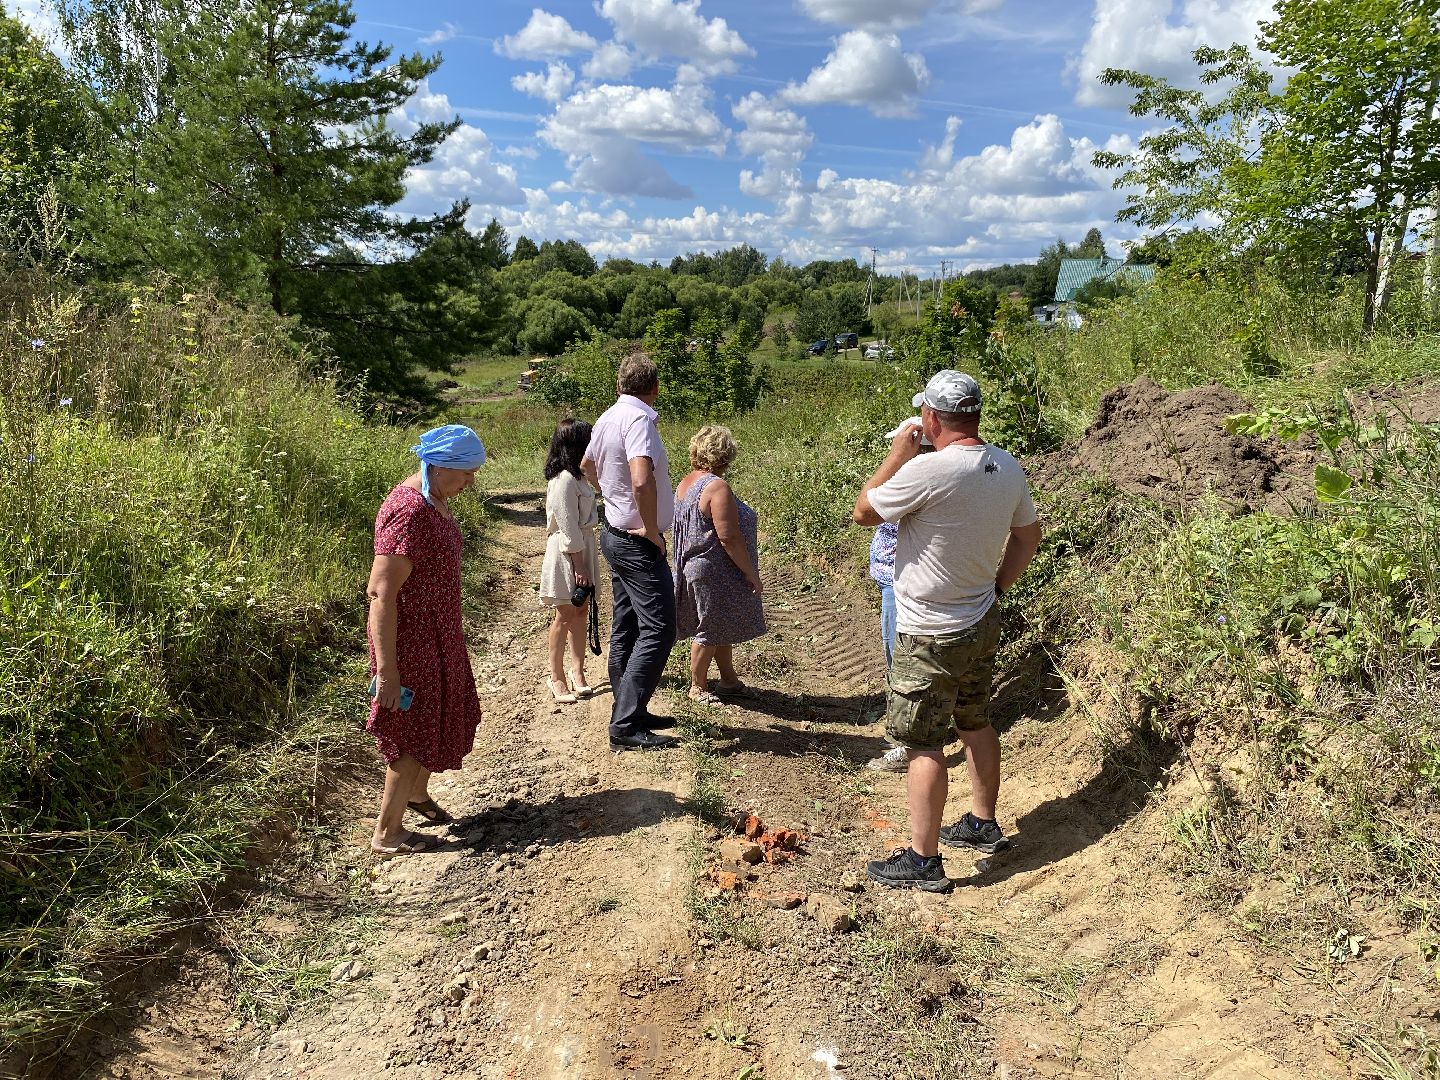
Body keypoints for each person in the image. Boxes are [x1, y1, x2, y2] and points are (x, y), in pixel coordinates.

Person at [851, 371, 1042, 892]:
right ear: (976, 414)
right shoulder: (1005, 466)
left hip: (929, 631)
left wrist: (897, 453)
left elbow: (864, 510)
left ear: (932, 418)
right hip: (980, 619)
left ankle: (923, 858)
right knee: (975, 719)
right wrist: (998, 586)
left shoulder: (928, 471)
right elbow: (1028, 536)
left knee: (923, 743)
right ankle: (982, 822)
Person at [365, 424, 487, 858]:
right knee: (412, 729)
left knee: (436, 718)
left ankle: (416, 796)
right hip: (410, 643)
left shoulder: (433, 498)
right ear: (437, 466)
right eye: (465, 473)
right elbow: (381, 592)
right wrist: (388, 669)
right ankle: (388, 832)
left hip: (438, 635)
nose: (470, 482)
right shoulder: (409, 510)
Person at [582, 353, 681, 751]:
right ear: (655, 388)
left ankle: (629, 710)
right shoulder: (639, 419)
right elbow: (642, 479)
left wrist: (611, 496)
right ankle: (625, 724)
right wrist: (648, 527)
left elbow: (587, 465)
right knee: (659, 628)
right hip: (636, 540)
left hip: (614, 534)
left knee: (628, 627)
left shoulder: (608, 417)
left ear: (619, 385)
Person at [673, 425, 765, 704]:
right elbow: (729, 537)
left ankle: (729, 680)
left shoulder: (687, 481)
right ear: (726, 454)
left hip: (696, 565)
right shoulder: (717, 486)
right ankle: (697, 687)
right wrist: (751, 573)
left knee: (720, 624)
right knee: (710, 628)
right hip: (714, 569)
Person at [540, 418, 599, 703]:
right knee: (565, 615)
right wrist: (580, 565)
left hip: (582, 548)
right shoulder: (563, 479)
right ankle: (557, 678)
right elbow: (568, 527)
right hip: (568, 553)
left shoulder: (579, 476)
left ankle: (578, 671)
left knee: (581, 611)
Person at [863, 519, 909, 772]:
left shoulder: (915, 483)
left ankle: (906, 745)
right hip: (896, 580)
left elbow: (864, 511)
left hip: (903, 582)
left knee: (902, 663)